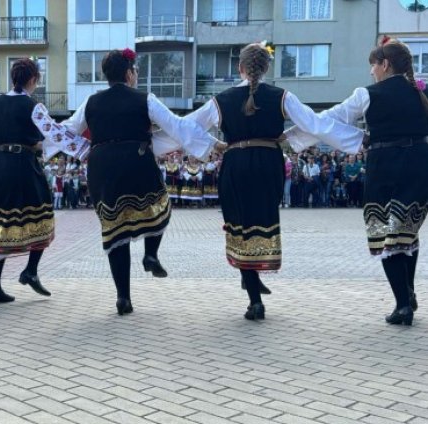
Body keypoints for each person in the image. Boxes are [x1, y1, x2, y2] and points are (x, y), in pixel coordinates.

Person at [188, 43, 364, 320]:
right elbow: (315, 124)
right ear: (266, 68)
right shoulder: (282, 97)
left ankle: (253, 294)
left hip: (236, 163)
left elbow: (187, 127)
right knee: (261, 220)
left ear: (240, 67)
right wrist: (357, 139)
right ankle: (252, 279)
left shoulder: (220, 100)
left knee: (240, 223)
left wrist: (213, 144)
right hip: (268, 163)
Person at [62, 48, 222, 315]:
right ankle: (150, 253)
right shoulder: (145, 99)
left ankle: (123, 297)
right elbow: (176, 125)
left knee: (115, 230)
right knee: (160, 204)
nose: (136, 75)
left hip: (102, 166)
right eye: (135, 71)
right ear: (129, 74)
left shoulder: (90, 102)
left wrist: (79, 148)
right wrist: (211, 143)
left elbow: (66, 130)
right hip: (136, 160)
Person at [287, 38, 428, 325]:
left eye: (373, 66)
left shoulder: (367, 94)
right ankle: (408, 294)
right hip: (419, 166)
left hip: (384, 166)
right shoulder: (421, 93)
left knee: (385, 234)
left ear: (385, 64)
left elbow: (329, 120)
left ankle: (403, 304)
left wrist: (292, 136)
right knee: (406, 232)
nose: (371, 72)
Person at [0, 58, 88, 303]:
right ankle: (30, 271)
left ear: (14, 77)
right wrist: (86, 149)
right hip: (23, 164)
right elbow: (55, 132)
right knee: (43, 212)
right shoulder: (33, 105)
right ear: (33, 79)